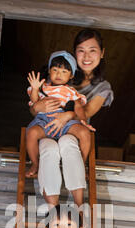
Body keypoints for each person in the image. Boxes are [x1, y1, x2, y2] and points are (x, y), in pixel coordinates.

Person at [30, 29, 114, 208]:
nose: (86, 56)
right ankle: (53, 211)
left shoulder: (102, 87)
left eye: (93, 50)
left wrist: (67, 115)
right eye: (81, 50)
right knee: (48, 149)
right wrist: (37, 106)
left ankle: (79, 207)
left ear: (102, 52)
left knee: (69, 144)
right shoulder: (57, 75)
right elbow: (34, 110)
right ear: (74, 52)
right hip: (49, 126)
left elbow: (86, 113)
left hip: (72, 132)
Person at [26, 50, 94, 178]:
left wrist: (84, 121)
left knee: (84, 133)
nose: (59, 74)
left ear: (71, 75)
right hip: (44, 121)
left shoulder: (71, 91)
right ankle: (35, 163)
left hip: (66, 123)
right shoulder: (43, 87)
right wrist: (35, 89)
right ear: (49, 70)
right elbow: (35, 103)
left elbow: (78, 108)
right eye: (55, 69)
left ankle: (82, 164)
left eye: (64, 72)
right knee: (31, 133)